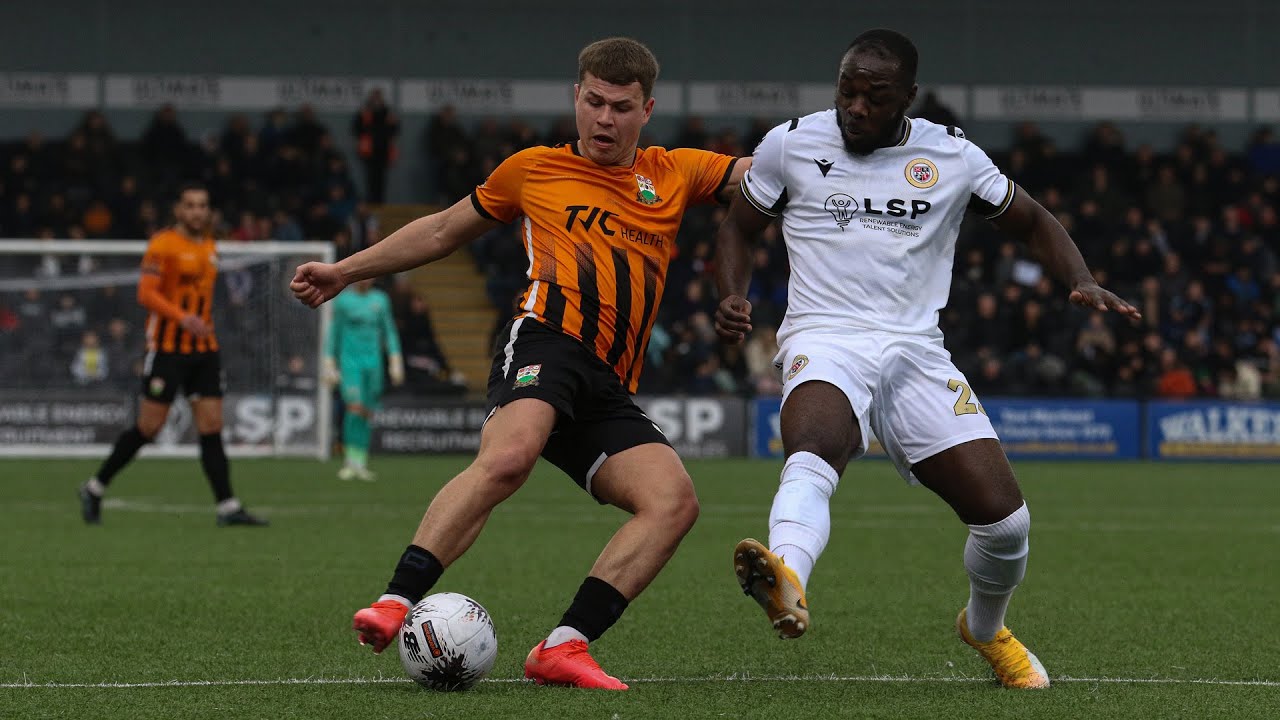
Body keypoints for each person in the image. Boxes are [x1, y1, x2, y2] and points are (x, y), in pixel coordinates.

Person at [291, 37, 748, 691]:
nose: (604, 119)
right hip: (545, 342)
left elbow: (771, 176)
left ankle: (563, 647)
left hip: (606, 382)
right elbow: (442, 230)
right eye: (593, 102)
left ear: (647, 109)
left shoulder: (676, 172)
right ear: (576, 97)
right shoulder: (533, 169)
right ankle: (396, 599)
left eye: (621, 107)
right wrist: (344, 271)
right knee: (509, 457)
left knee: (673, 502)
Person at [713, 29, 1140, 689]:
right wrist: (733, 293)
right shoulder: (790, 143)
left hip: (916, 350)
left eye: (874, 96)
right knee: (818, 443)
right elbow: (738, 225)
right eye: (846, 90)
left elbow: (1030, 220)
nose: (855, 106)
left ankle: (985, 628)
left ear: (907, 98)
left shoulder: (953, 156)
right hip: (825, 335)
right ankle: (787, 572)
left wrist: (1078, 278)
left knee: (1006, 524)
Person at [78, 182, 268, 527]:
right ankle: (94, 487)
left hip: (204, 350)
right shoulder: (162, 245)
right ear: (179, 210)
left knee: (211, 426)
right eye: (190, 205)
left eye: (202, 205)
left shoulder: (210, 245)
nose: (197, 211)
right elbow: (145, 294)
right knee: (149, 427)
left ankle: (228, 506)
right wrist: (183, 318)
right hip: (167, 350)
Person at [324, 278, 404, 480]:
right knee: (354, 408)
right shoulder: (343, 301)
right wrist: (329, 361)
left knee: (367, 412)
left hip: (374, 364)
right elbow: (334, 332)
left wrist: (395, 359)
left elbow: (389, 330)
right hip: (351, 363)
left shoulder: (381, 299)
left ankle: (360, 461)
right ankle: (349, 460)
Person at [352, 88, 399, 203]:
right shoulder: (365, 112)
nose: (377, 100)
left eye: (379, 97)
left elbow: (394, 130)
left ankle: (380, 202)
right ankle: (371, 201)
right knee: (370, 177)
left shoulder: (387, 112)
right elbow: (357, 128)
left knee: (381, 178)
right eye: (375, 97)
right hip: (369, 150)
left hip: (383, 150)